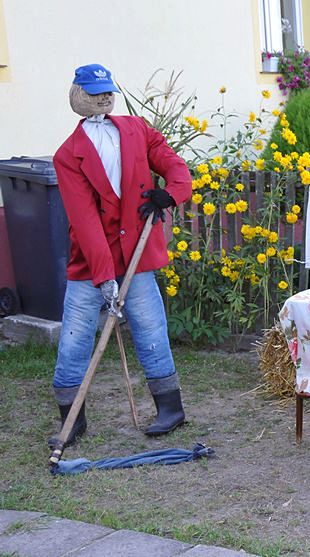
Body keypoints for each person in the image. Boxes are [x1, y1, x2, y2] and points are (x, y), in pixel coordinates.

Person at [48, 63, 192, 448]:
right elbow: (84, 221)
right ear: (79, 95)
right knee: (75, 340)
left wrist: (171, 193)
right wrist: (104, 277)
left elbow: (172, 163)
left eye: (107, 90)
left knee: (150, 330)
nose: (104, 97)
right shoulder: (68, 155)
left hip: (138, 253)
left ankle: (171, 410)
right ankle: (72, 420)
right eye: (95, 91)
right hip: (91, 263)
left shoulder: (136, 128)